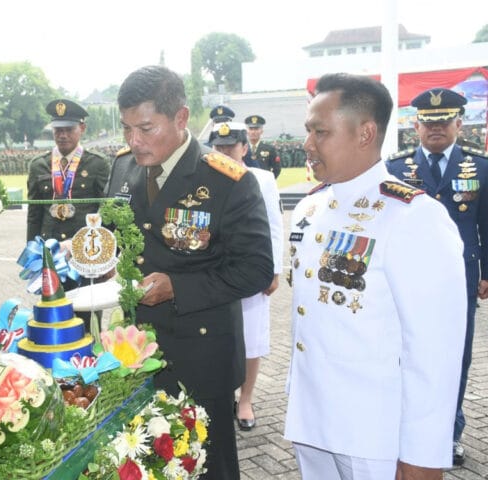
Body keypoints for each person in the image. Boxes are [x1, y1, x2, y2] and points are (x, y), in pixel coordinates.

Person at [286, 73, 466, 479]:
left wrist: (422, 456)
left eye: (321, 132)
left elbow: (435, 354)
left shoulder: (412, 218)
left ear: (365, 133)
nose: (308, 145)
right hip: (312, 419)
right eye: (308, 131)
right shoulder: (310, 209)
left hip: (374, 433)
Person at [106, 65, 274, 480]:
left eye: (145, 128)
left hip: (200, 356)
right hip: (133, 352)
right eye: (127, 128)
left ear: (180, 118)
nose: (134, 140)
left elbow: (255, 270)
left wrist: (177, 287)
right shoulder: (123, 168)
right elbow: (112, 235)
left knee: (207, 466)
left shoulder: (227, 180)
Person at [386, 87, 488, 466]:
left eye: (444, 121)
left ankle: (449, 432)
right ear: (417, 125)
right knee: (403, 353)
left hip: (459, 282)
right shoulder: (396, 168)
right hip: (405, 279)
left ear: (459, 123)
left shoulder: (480, 167)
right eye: (428, 122)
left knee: (455, 356)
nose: (436, 129)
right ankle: (402, 428)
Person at [209, 121, 283, 431]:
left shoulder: (262, 179)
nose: (225, 151)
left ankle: (246, 399)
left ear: (244, 147)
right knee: (218, 337)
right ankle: (221, 393)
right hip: (214, 271)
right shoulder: (203, 178)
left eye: (231, 145)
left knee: (251, 338)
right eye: (219, 146)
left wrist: (274, 269)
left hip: (251, 269)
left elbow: (274, 225)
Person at [26, 99, 111, 242]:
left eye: (69, 130)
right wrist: (32, 251)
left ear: (82, 128)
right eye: (58, 130)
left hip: (83, 246)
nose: (63, 135)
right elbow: (34, 214)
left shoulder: (97, 164)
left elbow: (105, 209)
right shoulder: (38, 165)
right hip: (49, 245)